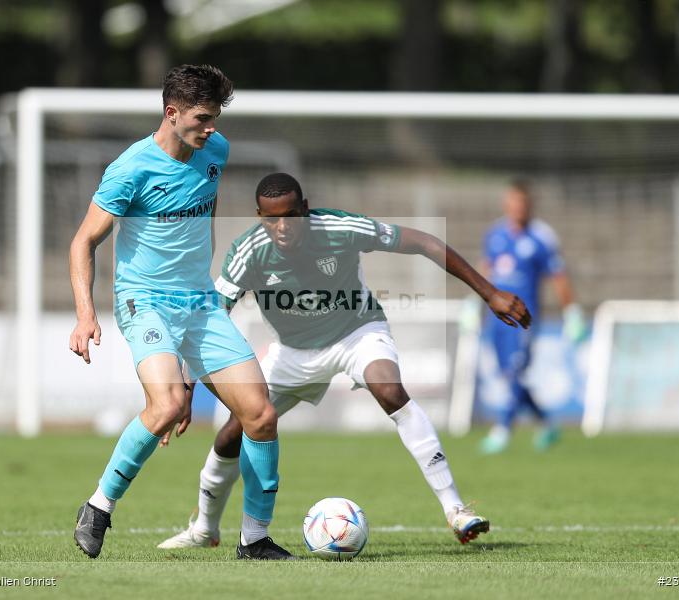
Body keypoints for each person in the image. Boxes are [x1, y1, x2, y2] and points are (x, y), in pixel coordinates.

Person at [157, 172, 531, 550]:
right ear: (259, 216)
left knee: (390, 390)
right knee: (235, 431)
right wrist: (184, 388)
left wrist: (490, 292)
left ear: (305, 208)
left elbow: (424, 242)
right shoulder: (248, 252)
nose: (283, 226)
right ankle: (205, 529)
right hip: (292, 353)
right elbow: (209, 319)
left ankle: (456, 510)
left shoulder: (339, 227)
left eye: (291, 215)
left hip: (357, 333)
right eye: (272, 219)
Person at [68, 65, 293, 561]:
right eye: (202, 118)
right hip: (143, 300)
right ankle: (98, 506)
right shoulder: (131, 169)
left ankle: (254, 540)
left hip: (199, 303)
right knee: (166, 404)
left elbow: (203, 214)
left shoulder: (215, 150)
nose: (211, 128)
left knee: (260, 415)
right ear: (171, 114)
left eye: (215, 118)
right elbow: (83, 241)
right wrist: (86, 316)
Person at [478, 179, 583, 454]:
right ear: (506, 204)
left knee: (515, 372)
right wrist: (471, 303)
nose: (517, 208)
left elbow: (558, 277)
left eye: (521, 203)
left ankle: (502, 430)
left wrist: (571, 311)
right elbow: (485, 270)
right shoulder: (495, 234)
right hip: (496, 319)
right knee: (508, 375)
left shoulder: (541, 237)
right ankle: (547, 423)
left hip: (523, 319)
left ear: (529, 205)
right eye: (512, 202)